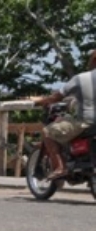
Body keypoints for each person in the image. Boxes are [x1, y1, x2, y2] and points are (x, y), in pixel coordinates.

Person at [31, 49, 96, 182]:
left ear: (94, 61)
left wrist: (39, 101)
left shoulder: (81, 78)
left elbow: (56, 97)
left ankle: (60, 167)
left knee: (48, 132)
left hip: (87, 121)